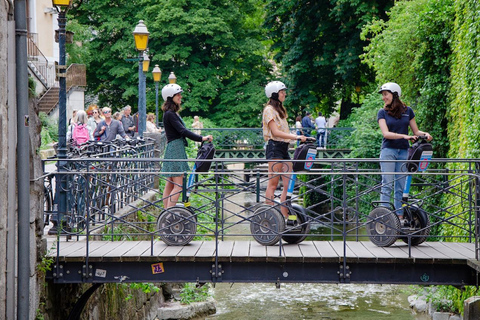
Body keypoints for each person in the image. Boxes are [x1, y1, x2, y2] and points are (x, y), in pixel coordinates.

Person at [377, 82, 432, 221]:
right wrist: (404, 136)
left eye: (386, 95)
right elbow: (386, 134)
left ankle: (399, 217)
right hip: (388, 151)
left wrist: (425, 134)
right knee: (387, 184)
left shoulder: (408, 111)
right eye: (383, 95)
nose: (383, 98)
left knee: (400, 186)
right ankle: (385, 217)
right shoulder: (382, 112)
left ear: (395, 94)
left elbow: (416, 131)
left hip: (403, 151)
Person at [161, 84, 213, 209]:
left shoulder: (171, 113)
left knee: (170, 184)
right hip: (176, 150)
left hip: (173, 148)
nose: (180, 96)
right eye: (177, 94)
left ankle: (166, 213)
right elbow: (183, 131)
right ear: (170, 96)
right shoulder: (170, 114)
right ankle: (169, 214)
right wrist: (202, 138)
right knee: (178, 186)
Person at [262, 81, 307, 219]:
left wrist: (298, 138)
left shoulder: (280, 110)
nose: (284, 94)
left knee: (288, 184)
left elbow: (284, 132)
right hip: (274, 147)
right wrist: (296, 136)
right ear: (274, 94)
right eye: (282, 92)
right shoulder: (269, 110)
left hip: (284, 148)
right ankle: (269, 217)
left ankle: (285, 216)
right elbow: (275, 132)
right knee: (273, 183)